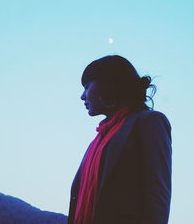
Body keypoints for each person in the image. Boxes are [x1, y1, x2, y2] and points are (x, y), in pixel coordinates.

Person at [67, 55, 172, 224]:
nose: (82, 96)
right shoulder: (97, 141)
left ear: (106, 85)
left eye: (87, 87)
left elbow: (157, 194)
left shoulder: (149, 122)